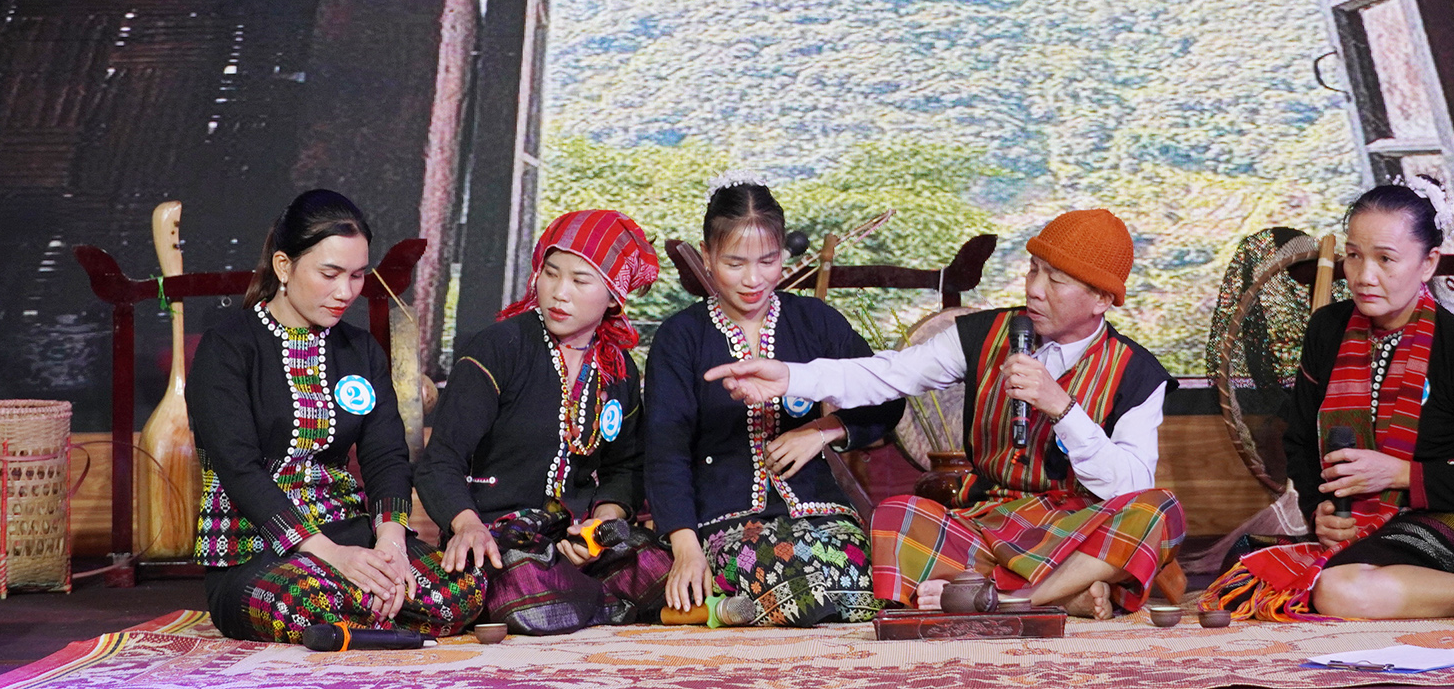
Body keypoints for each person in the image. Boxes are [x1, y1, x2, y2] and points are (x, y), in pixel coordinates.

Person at [708, 207, 1186, 621]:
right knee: (896, 517)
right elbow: (890, 374)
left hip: (1076, 526)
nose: (1035, 290)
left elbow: (1129, 487)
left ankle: (1016, 598)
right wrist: (789, 377)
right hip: (988, 523)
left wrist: (1062, 408)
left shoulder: (1138, 373)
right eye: (1033, 270)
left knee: (1158, 512)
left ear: (1101, 299)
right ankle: (1064, 593)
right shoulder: (983, 333)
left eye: (1055, 280)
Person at [1206, 178, 1454, 620]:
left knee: (1338, 587)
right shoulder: (1327, 329)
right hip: (1358, 520)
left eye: (1385, 259)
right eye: (1354, 255)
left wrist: (1400, 473)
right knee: (1243, 568)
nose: (1363, 276)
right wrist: (1319, 512)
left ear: (1429, 263)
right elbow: (1300, 441)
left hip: (1451, 517)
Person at [186, 190, 482, 642]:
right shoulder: (227, 347)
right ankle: (368, 615)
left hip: (349, 531)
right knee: (310, 599)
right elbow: (238, 469)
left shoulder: (360, 350)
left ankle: (357, 622)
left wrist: (390, 544)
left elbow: (385, 456)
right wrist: (330, 555)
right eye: (330, 274)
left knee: (463, 592)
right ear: (283, 266)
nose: (345, 292)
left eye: (357, 275)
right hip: (256, 550)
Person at [644, 179, 902, 627]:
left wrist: (823, 431)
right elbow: (666, 451)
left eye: (768, 260)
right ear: (707, 256)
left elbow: (885, 397)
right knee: (800, 584)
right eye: (734, 263)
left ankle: (749, 613)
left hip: (822, 514)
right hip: (726, 523)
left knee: (859, 587)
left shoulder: (815, 321)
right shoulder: (680, 337)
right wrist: (685, 548)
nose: (753, 279)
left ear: (783, 253)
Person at [415, 210, 672, 635]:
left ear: (613, 297)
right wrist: (466, 525)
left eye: (580, 281)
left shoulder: (618, 370)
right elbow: (440, 460)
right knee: (528, 588)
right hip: (499, 535)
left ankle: (581, 596)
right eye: (551, 274)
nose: (559, 292)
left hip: (575, 541)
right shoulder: (500, 347)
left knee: (661, 568)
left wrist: (600, 526)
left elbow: (625, 468)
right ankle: (599, 602)